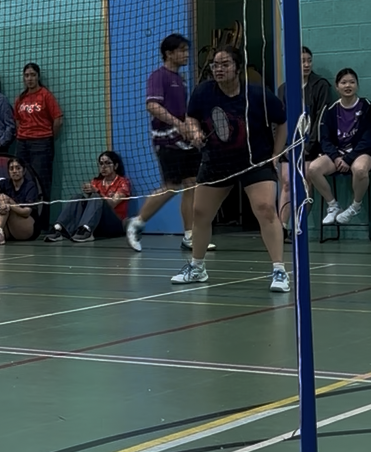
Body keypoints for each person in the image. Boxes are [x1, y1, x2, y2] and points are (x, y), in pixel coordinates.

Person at [171, 46, 290, 292]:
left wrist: (276, 155)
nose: (219, 69)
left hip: (255, 161)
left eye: (225, 64)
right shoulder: (204, 92)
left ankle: (279, 271)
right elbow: (191, 117)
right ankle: (197, 268)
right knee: (200, 214)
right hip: (217, 162)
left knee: (266, 209)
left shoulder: (258, 95)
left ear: (237, 68)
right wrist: (193, 131)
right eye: (215, 65)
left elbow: (283, 121)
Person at [124, 33, 211, 253]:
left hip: (184, 140)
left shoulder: (181, 80)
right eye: (181, 50)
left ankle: (190, 236)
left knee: (192, 183)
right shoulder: (158, 76)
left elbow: (184, 113)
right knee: (172, 187)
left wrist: (192, 130)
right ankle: (137, 222)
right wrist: (178, 125)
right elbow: (152, 106)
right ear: (168, 53)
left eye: (186, 50)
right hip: (166, 140)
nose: (185, 55)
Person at [306, 68, 371, 226]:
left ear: (357, 86)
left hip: (362, 153)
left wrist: (348, 159)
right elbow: (324, 139)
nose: (348, 86)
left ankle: (355, 206)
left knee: (360, 169)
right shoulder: (330, 110)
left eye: (352, 82)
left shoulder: (367, 106)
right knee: (313, 169)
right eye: (344, 82)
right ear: (337, 86)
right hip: (338, 154)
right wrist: (336, 157)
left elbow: (369, 139)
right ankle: (332, 205)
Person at [277, 46, 332, 232]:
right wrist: (281, 147)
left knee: (305, 182)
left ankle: (298, 226)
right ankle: (281, 228)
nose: (307, 64)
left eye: (309, 60)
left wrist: (310, 145)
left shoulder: (321, 86)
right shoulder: (284, 89)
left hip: (311, 146)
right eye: (302, 61)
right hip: (288, 146)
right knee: (286, 183)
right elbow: (280, 120)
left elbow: (321, 118)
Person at [14, 63, 63, 232]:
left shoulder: (45, 96)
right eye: (26, 75)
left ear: (38, 77)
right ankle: (26, 223)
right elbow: (17, 120)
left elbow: (58, 119)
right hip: (22, 144)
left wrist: (48, 137)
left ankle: (42, 224)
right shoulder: (20, 99)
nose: (29, 78)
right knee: (23, 181)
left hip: (42, 144)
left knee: (42, 183)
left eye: (32, 75)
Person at [46, 151, 131, 243]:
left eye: (107, 163)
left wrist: (97, 192)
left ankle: (86, 230)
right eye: (101, 163)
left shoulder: (123, 182)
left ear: (116, 166)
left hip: (114, 224)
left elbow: (113, 204)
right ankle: (59, 228)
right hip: (97, 224)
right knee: (77, 197)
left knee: (96, 197)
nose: (103, 166)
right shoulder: (95, 182)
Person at [0, 157, 42, 246]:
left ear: (24, 171)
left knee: (4, 198)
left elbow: (26, 212)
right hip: (9, 229)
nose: (14, 171)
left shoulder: (30, 186)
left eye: (18, 168)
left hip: (27, 227)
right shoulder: (5, 183)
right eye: (11, 168)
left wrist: (9, 204)